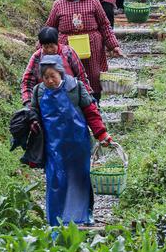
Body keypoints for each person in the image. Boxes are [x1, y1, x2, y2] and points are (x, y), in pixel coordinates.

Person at [31, 55, 112, 226]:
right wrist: (32, 125)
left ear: (61, 73)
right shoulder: (39, 91)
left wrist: (101, 134)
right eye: (45, 77)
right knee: (55, 180)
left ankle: (86, 213)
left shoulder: (75, 87)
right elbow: (34, 114)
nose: (50, 81)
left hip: (77, 143)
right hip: (54, 146)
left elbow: (91, 112)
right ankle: (56, 220)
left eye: (53, 76)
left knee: (80, 178)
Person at [45, 0, 123, 101]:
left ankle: (95, 104)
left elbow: (104, 24)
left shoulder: (93, 1)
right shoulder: (58, 4)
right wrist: (42, 47)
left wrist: (114, 45)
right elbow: (50, 27)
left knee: (93, 76)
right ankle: (73, 106)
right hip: (67, 49)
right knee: (69, 76)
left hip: (92, 47)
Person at [21, 25, 92, 105]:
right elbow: (27, 82)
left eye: (52, 46)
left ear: (57, 42)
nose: (49, 50)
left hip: (70, 98)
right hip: (46, 101)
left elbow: (81, 75)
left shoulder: (68, 52)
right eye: (45, 47)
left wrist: (87, 95)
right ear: (41, 46)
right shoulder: (37, 57)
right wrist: (29, 103)